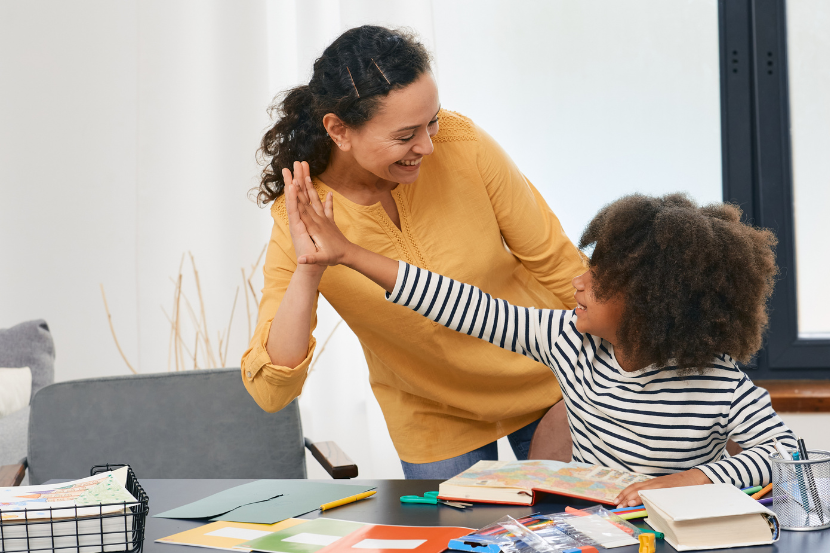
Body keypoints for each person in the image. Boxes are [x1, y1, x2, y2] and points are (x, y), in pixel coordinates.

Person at [286, 183, 797, 506]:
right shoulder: (569, 342)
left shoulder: (717, 382)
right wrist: (350, 253)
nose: (579, 281)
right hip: (594, 534)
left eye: (599, 279)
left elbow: (784, 453)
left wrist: (687, 481)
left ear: (651, 303)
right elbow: (463, 305)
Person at [241, 25, 586, 478]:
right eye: (405, 135)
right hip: (432, 414)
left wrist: (605, 380)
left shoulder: (463, 145)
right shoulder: (301, 217)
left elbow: (559, 264)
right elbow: (272, 391)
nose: (427, 146)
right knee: (453, 547)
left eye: (432, 121)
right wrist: (309, 268)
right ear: (339, 130)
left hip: (548, 381)